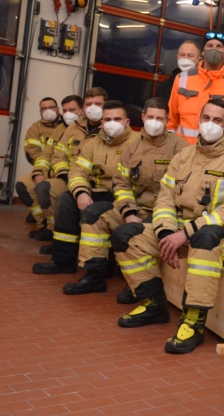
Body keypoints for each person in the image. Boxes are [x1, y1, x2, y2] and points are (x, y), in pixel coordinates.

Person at [112, 99, 224, 354]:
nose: (210, 125)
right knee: (125, 236)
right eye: (206, 118)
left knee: (205, 236)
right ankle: (154, 303)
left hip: (223, 236)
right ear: (199, 120)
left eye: (217, 120)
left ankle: (193, 322)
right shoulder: (183, 156)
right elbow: (165, 198)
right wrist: (166, 232)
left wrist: (186, 232)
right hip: (179, 231)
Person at [62, 97, 188, 296]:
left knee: (136, 232)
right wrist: (129, 212)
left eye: (159, 118)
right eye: (150, 117)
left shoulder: (180, 148)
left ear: (166, 120)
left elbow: (183, 188)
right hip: (134, 208)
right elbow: (122, 184)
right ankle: (94, 275)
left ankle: (138, 283)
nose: (154, 121)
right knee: (94, 214)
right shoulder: (132, 147)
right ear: (143, 117)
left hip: (163, 213)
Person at [33, 100, 135, 276]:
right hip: (97, 191)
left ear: (127, 122)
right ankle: (63, 261)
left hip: (123, 196)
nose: (112, 123)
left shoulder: (136, 144)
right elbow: (77, 172)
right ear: (101, 123)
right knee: (66, 200)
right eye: (107, 119)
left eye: (117, 119)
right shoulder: (93, 144)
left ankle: (99, 268)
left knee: (96, 210)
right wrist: (81, 192)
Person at [33, 88, 106, 246]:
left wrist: (86, 183)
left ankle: (75, 242)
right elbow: (59, 155)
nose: (93, 108)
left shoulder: (111, 129)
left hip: (95, 183)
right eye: (89, 104)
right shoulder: (75, 127)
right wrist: (65, 176)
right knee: (44, 188)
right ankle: (57, 236)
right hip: (68, 179)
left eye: (98, 104)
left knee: (72, 199)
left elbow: (110, 166)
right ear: (84, 107)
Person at [167, 31, 224, 144]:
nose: (214, 49)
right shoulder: (183, 78)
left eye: (219, 46)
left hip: (216, 152)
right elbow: (171, 117)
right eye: (209, 45)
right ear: (202, 52)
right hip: (182, 149)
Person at [16, 97, 66, 232]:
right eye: (44, 108)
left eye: (51, 107)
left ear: (58, 109)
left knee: (45, 189)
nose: (48, 111)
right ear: (40, 111)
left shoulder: (68, 125)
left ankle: (53, 226)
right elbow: (31, 152)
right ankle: (41, 220)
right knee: (23, 186)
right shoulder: (35, 128)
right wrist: (42, 169)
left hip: (63, 171)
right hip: (44, 169)